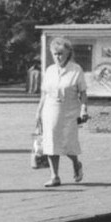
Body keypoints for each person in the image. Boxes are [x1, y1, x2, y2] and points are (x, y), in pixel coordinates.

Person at [34, 36, 88, 186]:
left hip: (69, 111)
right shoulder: (50, 70)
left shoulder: (76, 70)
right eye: (55, 54)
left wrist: (83, 109)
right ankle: (54, 176)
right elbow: (44, 93)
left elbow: (82, 92)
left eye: (61, 53)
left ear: (68, 53)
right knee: (50, 143)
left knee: (68, 144)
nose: (58, 57)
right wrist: (38, 112)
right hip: (50, 110)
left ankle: (76, 163)